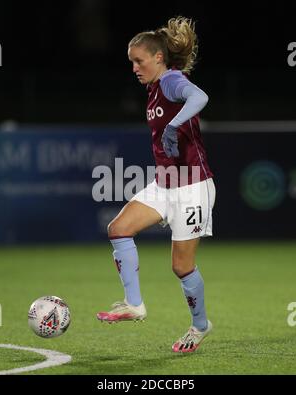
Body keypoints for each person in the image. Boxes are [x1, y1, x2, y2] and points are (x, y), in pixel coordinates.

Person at [97, 16, 216, 353]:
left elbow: (200, 98)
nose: (134, 67)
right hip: (166, 183)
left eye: (139, 60)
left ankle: (199, 325)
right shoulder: (152, 90)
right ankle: (134, 304)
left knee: (181, 267)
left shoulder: (171, 81)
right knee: (119, 228)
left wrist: (172, 126)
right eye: (131, 62)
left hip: (193, 185)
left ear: (158, 58)